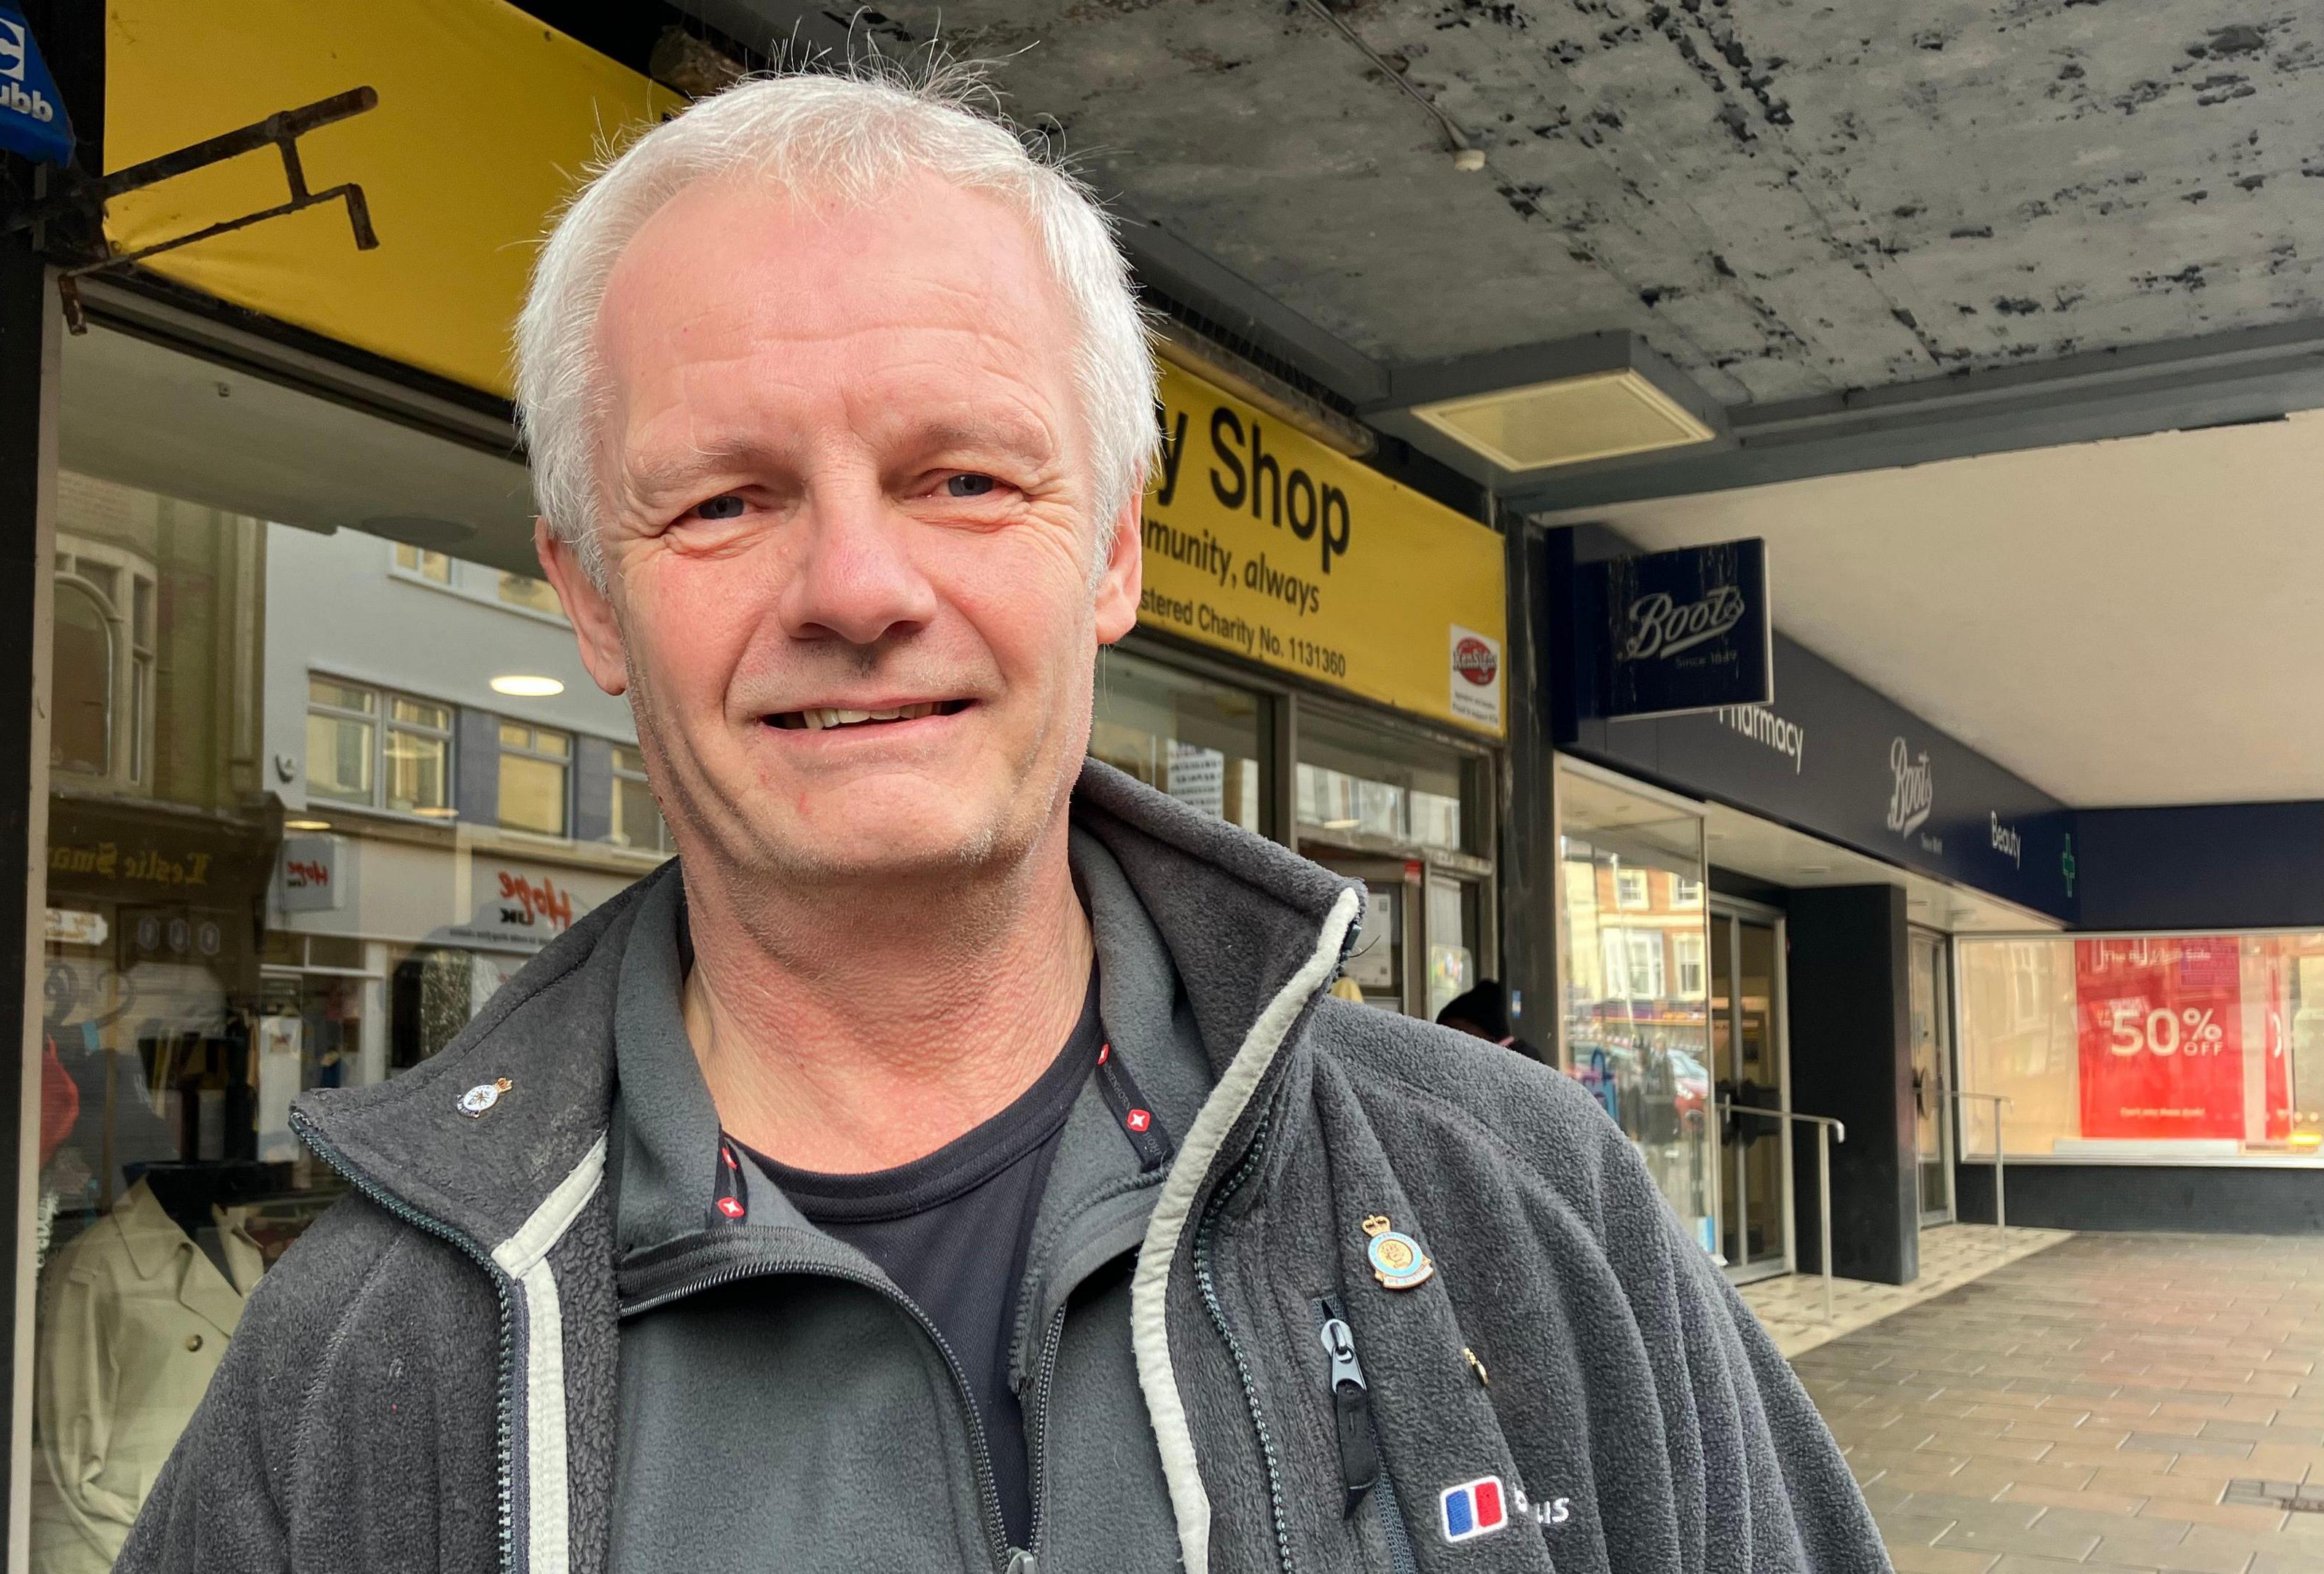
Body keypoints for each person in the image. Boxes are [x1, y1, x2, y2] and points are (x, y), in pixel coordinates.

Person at [120, 65, 1888, 1574]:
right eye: (728, 500)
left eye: (962, 478)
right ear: (591, 602)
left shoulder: (1522, 1202)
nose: (860, 585)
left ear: (1111, 543)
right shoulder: (359, 1367)